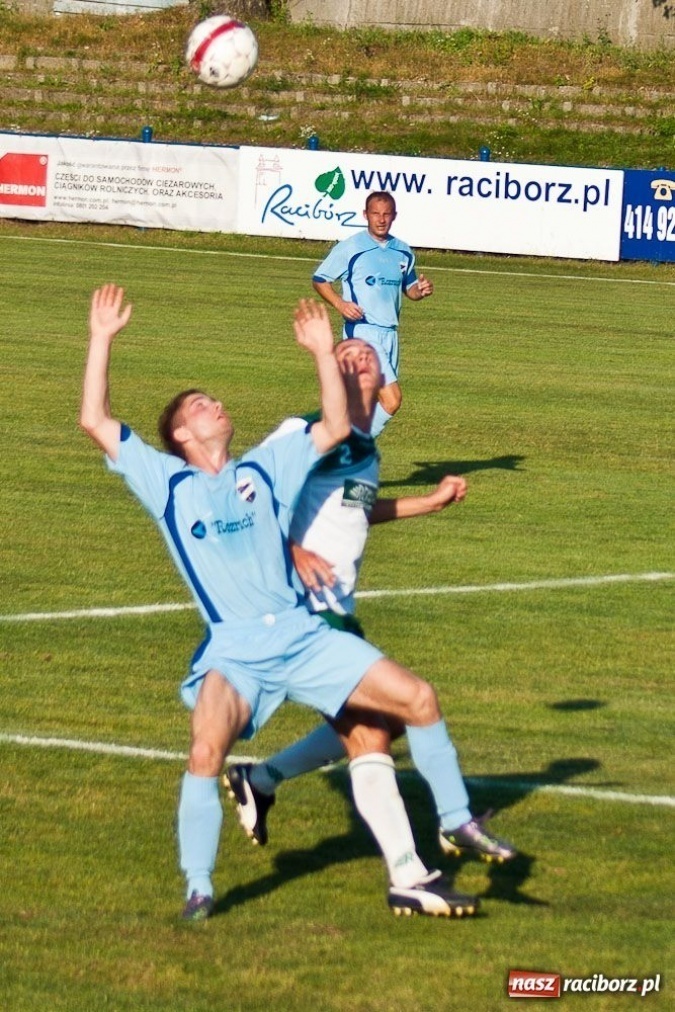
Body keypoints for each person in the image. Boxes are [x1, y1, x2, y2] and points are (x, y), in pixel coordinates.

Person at [80, 285, 481, 923]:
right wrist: (102, 338)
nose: (215, 404)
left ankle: (445, 827)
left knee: (408, 704)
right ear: (182, 433)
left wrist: (323, 351)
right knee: (205, 749)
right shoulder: (167, 482)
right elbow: (96, 422)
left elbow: (333, 425)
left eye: (213, 398)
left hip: (304, 635)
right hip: (235, 652)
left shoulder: (265, 467)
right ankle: (200, 887)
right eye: (199, 405)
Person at [225, 340, 516, 893]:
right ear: (329, 372)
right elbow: (241, 502)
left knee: (375, 730)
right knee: (414, 700)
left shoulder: (364, 449)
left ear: (384, 375)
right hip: (298, 613)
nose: (358, 356)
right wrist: (290, 553)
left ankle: (263, 781)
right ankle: (453, 823)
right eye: (345, 352)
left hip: (336, 613)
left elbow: (355, 513)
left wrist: (426, 503)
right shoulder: (303, 430)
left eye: (367, 353)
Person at [312, 190, 433, 437]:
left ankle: (331, 452)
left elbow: (409, 289)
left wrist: (420, 290)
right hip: (362, 332)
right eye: (375, 214)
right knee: (392, 400)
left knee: (366, 405)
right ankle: (351, 451)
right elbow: (320, 279)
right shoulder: (351, 247)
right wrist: (340, 304)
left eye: (386, 214)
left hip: (390, 333)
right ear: (365, 215)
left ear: (394, 216)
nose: (381, 219)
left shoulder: (403, 251)